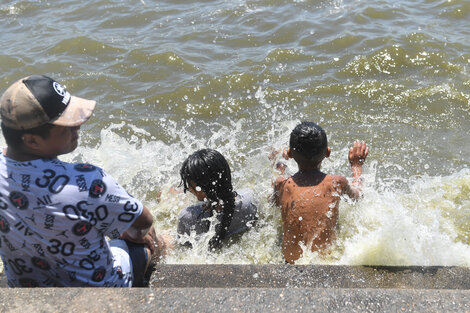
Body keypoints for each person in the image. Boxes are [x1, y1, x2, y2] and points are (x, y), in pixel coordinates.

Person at [0, 75, 168, 287]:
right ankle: (167, 248)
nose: (78, 125)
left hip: (27, 288)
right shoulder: (88, 181)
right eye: (67, 124)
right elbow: (143, 221)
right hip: (100, 293)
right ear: (32, 139)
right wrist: (129, 234)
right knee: (145, 236)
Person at [273, 121, 368, 264]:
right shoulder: (337, 183)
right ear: (327, 152)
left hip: (289, 260)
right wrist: (356, 166)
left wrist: (279, 167)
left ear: (290, 153)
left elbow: (274, 203)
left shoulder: (281, 184)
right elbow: (357, 197)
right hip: (327, 261)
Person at [178, 149, 257, 250]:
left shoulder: (188, 217)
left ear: (202, 187)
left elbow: (181, 249)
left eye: (189, 183)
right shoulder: (250, 201)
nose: (188, 188)